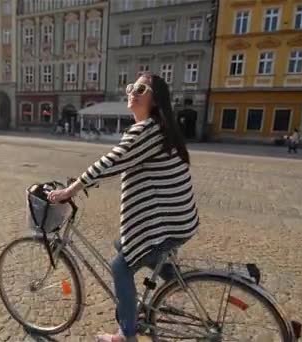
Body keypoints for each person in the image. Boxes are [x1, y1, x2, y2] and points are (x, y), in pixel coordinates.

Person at [47, 73, 199, 342]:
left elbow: (113, 160)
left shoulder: (148, 130)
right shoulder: (159, 129)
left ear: (155, 100)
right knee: (123, 245)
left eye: (141, 88)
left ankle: (126, 335)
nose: (132, 91)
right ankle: (178, 282)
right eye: (131, 87)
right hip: (179, 221)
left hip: (165, 225)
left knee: (121, 267)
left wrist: (71, 190)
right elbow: (126, 162)